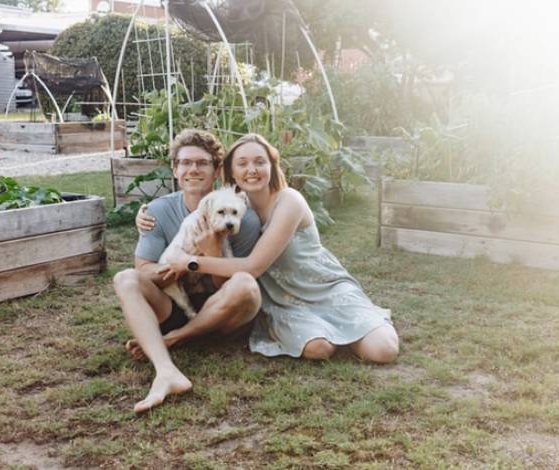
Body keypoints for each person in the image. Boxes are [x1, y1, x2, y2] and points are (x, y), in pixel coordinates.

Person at [150, 133, 399, 363]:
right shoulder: (234, 205)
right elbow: (194, 209)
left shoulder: (289, 200)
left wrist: (188, 262)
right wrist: (145, 213)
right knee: (318, 350)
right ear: (231, 172)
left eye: (260, 161)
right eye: (242, 163)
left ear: (272, 166)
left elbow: (253, 266)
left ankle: (358, 325)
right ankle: (324, 332)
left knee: (383, 351)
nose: (252, 170)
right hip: (281, 300)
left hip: (322, 287)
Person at [113, 129, 262, 413]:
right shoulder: (157, 210)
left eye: (203, 163)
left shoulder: (241, 216)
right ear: (175, 170)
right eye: (185, 163)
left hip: (224, 314)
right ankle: (165, 370)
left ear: (217, 170)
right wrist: (175, 267)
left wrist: (210, 253)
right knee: (125, 278)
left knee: (245, 284)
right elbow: (144, 271)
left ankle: (175, 339)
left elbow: (230, 287)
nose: (193, 169)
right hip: (175, 306)